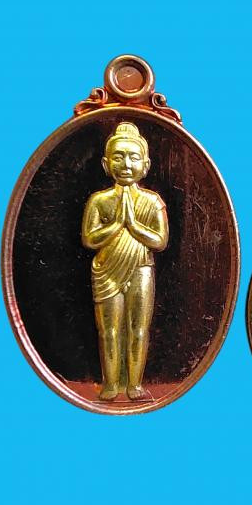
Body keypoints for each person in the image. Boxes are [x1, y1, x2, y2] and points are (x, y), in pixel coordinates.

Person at [82, 122, 169, 400]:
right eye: (118, 157)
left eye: (133, 157)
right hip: (106, 270)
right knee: (108, 331)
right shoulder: (99, 201)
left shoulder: (152, 201)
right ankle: (110, 383)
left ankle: (134, 384)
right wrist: (116, 224)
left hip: (141, 268)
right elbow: (89, 239)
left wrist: (132, 225)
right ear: (106, 165)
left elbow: (160, 241)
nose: (127, 164)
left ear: (146, 165)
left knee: (138, 329)